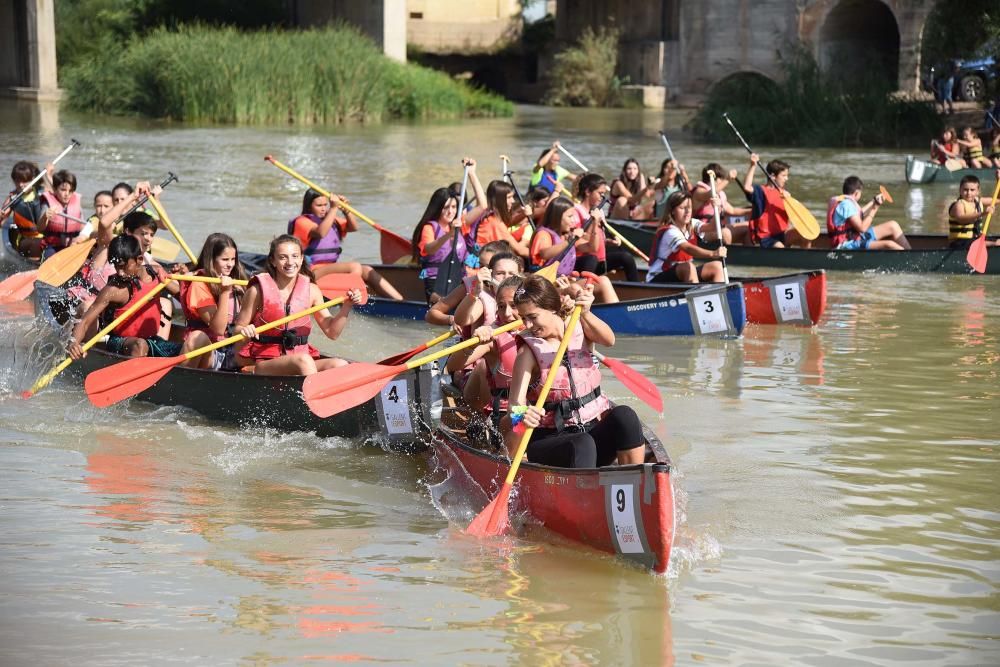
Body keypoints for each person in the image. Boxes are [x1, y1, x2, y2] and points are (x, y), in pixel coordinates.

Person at [499, 275, 646, 468]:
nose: (527, 325)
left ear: (552, 307)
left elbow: (610, 340)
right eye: (524, 318)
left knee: (625, 416)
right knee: (581, 443)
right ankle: (586, 493)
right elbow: (515, 405)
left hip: (591, 432)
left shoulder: (579, 325)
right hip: (551, 440)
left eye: (532, 317)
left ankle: (634, 480)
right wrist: (523, 416)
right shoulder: (527, 352)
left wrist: (586, 313)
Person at [233, 235, 364, 376]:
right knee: (303, 361)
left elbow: (332, 332)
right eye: (283, 257)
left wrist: (347, 306)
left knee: (340, 365)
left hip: (300, 360)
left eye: (295, 256)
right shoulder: (257, 290)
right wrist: (245, 330)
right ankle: (312, 396)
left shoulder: (312, 290)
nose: (290, 262)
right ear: (273, 261)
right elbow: (237, 329)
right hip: (262, 363)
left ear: (302, 259)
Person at [67, 235, 182, 360]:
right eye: (116, 266)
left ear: (139, 259)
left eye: (123, 266)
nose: (120, 272)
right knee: (140, 345)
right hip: (118, 343)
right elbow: (84, 322)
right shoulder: (113, 290)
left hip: (152, 341)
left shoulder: (156, 273)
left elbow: (183, 298)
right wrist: (74, 343)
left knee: (188, 348)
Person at [288, 188, 403, 301]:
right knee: (354, 266)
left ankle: (400, 301)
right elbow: (321, 232)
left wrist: (345, 210)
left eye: (325, 205)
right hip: (312, 271)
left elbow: (353, 227)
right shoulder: (301, 221)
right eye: (319, 205)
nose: (323, 209)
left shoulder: (332, 220)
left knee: (367, 270)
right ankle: (352, 298)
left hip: (330, 267)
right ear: (309, 206)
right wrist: (333, 208)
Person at [178, 233, 248, 369]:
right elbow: (218, 329)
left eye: (233, 259)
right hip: (214, 351)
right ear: (212, 260)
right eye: (225, 259)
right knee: (197, 336)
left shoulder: (239, 280)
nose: (230, 265)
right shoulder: (199, 284)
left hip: (236, 349)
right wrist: (225, 292)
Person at [646, 190, 727, 284]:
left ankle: (719, 295)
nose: (687, 211)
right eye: (682, 208)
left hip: (683, 272)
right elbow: (688, 248)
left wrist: (718, 209)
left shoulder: (692, 223)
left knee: (717, 266)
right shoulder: (670, 231)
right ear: (672, 211)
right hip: (658, 278)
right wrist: (713, 253)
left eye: (689, 207)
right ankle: (696, 296)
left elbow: (712, 227)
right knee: (688, 266)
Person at [741, 153, 811, 248]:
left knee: (806, 235)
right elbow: (747, 187)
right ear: (773, 176)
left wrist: (790, 201)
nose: (786, 179)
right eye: (784, 175)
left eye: (787, 175)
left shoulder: (785, 194)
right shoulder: (760, 191)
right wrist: (753, 165)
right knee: (779, 247)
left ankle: (805, 260)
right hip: (766, 237)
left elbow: (794, 217)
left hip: (782, 234)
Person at [464, 169, 531, 267]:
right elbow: (519, 250)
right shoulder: (495, 223)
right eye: (509, 197)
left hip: (477, 261)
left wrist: (523, 214)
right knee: (520, 261)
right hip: (478, 268)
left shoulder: (487, 214)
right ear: (500, 200)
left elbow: (507, 223)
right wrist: (540, 255)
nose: (513, 201)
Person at [412, 186, 467, 303]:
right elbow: (429, 249)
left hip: (457, 279)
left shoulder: (459, 224)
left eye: (454, 207)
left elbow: (483, 206)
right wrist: (449, 234)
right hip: (435, 282)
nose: (451, 211)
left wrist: (472, 173)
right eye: (446, 207)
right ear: (438, 208)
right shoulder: (429, 228)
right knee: (447, 301)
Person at [826, 176, 911, 250]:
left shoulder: (845, 202)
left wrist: (873, 201)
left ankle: (910, 254)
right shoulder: (847, 205)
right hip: (846, 245)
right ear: (856, 193)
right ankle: (911, 260)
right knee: (889, 244)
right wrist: (875, 208)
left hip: (854, 237)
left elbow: (859, 214)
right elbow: (862, 228)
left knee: (893, 225)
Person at [689, 163, 751, 246]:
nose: (722, 181)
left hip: (718, 227)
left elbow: (732, 211)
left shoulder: (719, 194)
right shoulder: (699, 192)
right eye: (721, 179)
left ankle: (748, 254)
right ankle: (726, 255)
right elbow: (711, 193)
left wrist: (752, 210)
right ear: (714, 179)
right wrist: (728, 179)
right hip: (703, 230)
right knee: (725, 233)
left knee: (749, 227)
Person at [38, 168, 84, 257]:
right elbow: (39, 228)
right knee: (49, 256)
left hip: (72, 246)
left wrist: (81, 237)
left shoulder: (76, 202)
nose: (67, 194)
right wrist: (45, 217)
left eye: (70, 191)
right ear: (55, 189)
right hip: (52, 247)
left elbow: (84, 227)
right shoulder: (48, 204)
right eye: (63, 190)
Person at [3, 160, 45, 257]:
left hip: (46, 237)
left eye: (25, 181)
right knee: (37, 244)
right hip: (25, 238)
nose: (21, 184)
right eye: (17, 181)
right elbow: (2, 222)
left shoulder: (42, 193)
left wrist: (48, 176)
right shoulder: (12, 198)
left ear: (33, 180)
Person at [948, 172, 1000, 248]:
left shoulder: (979, 201)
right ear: (960, 190)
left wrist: (998, 180)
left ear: (977, 191)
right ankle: (993, 245)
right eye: (965, 190)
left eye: (972, 190)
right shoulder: (958, 205)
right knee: (995, 244)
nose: (969, 193)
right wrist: (983, 213)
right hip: (959, 242)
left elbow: (998, 199)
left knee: (996, 241)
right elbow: (962, 219)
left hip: (975, 239)